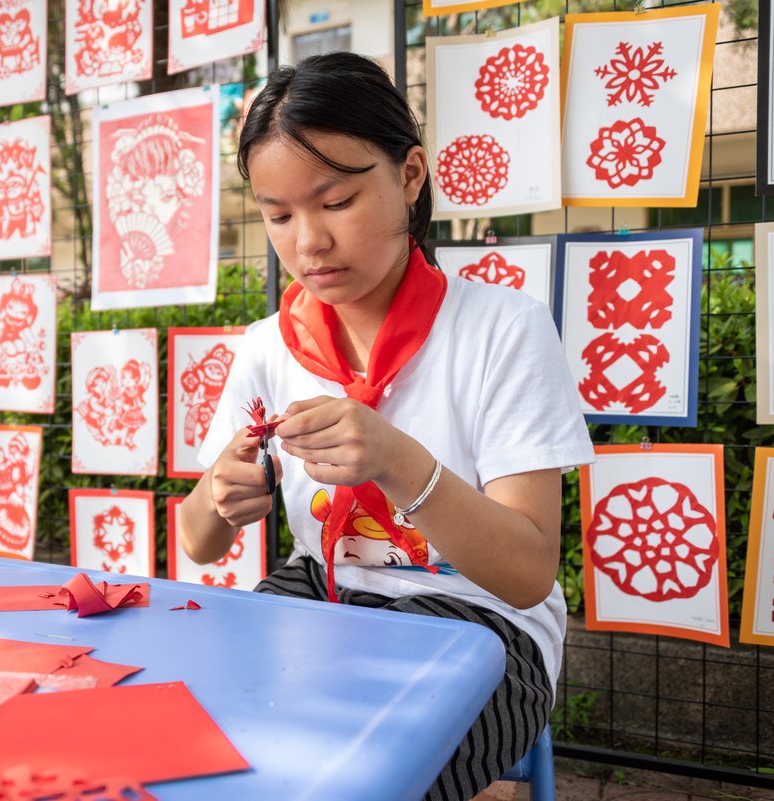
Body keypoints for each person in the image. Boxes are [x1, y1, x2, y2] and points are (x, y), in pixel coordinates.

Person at [179, 52, 594, 801]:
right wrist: (219, 495)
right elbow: (198, 539)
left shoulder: (503, 330)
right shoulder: (268, 345)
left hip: (484, 624)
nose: (307, 241)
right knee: (189, 725)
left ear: (410, 176)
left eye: (335, 201)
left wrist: (400, 459)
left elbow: (529, 574)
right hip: (324, 596)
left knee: (358, 771)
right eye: (278, 215)